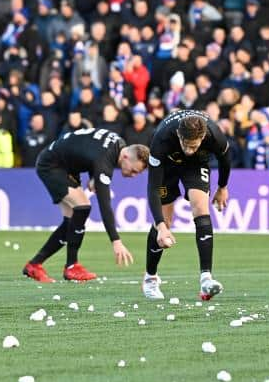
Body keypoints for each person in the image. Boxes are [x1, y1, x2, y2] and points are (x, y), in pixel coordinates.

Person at [23, 128, 150, 282]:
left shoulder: (119, 143)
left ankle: (35, 265)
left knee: (71, 221)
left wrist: (92, 176)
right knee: (82, 207)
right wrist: (116, 241)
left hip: (64, 164)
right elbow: (104, 205)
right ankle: (71, 266)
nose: (133, 175)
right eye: (134, 170)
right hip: (52, 166)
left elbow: (90, 147)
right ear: (125, 156)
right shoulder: (105, 161)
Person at [143, 110, 230, 300]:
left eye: (194, 145)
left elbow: (225, 160)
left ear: (202, 137)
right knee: (165, 220)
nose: (189, 150)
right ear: (179, 136)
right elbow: (153, 189)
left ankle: (206, 278)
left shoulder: (214, 135)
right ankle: (150, 278)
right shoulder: (162, 139)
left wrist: (222, 187)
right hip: (167, 165)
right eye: (186, 145)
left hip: (196, 165)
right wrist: (161, 226)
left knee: (201, 207)